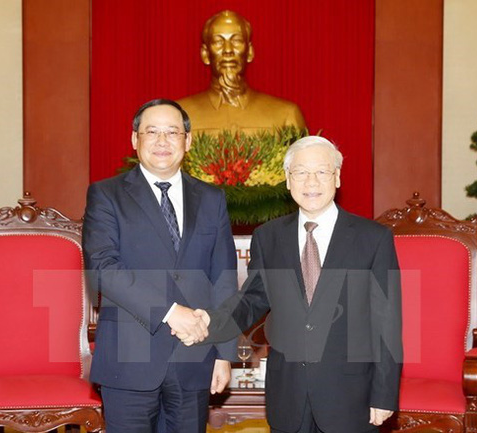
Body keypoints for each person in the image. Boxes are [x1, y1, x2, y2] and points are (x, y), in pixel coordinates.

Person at [181, 136, 403, 433]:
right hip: (288, 395)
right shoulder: (268, 237)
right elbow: (252, 300)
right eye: (300, 172)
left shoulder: (373, 238)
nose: (311, 181)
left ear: (337, 178)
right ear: (288, 180)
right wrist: (211, 321)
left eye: (322, 172)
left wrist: (384, 394)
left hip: (350, 397)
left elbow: (387, 323)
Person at [82, 99, 237, 433]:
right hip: (129, 358)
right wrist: (169, 311)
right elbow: (103, 267)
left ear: (188, 141)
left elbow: (223, 277)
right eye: (152, 132)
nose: (163, 141)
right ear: (135, 140)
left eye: (173, 132)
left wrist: (223, 352)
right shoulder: (106, 195)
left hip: (195, 356)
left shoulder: (212, 198)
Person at [177, 10, 306, 134]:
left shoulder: (286, 115)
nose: (228, 50)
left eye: (237, 41)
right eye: (218, 42)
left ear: (249, 52)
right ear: (205, 54)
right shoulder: (178, 115)